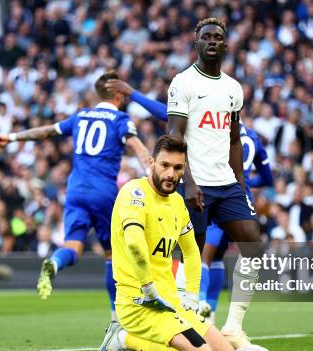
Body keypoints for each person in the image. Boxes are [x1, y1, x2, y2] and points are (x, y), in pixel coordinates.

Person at [105, 78, 273, 322]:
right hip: (235, 194)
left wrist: (133, 92)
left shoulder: (205, 122)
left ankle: (198, 304)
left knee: (198, 253)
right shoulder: (253, 138)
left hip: (210, 188)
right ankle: (209, 310)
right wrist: (246, 184)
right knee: (216, 257)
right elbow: (266, 176)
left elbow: (167, 116)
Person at [0, 71, 150, 322]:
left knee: (72, 247)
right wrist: (151, 170)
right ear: (118, 93)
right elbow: (137, 146)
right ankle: (116, 318)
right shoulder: (120, 119)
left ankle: (54, 261)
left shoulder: (81, 116)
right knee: (113, 256)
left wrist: (10, 137)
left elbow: (46, 132)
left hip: (74, 191)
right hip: (103, 192)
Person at [95, 136, 234, 351]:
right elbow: (135, 245)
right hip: (139, 304)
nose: (171, 174)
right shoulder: (134, 193)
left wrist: (192, 295)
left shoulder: (178, 203)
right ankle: (122, 339)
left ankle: (139, 336)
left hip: (171, 303)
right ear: (151, 163)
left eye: (178, 168)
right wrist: (149, 289)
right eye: (165, 165)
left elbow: (191, 251)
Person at [166, 18, 263, 348]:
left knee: (253, 243)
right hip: (196, 184)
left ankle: (233, 326)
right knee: (192, 252)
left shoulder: (234, 88)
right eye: (205, 36)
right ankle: (188, 320)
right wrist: (188, 182)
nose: (211, 41)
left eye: (217, 37)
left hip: (227, 184)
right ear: (196, 44)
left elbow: (234, 139)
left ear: (225, 45)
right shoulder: (183, 83)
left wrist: (242, 185)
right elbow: (174, 136)